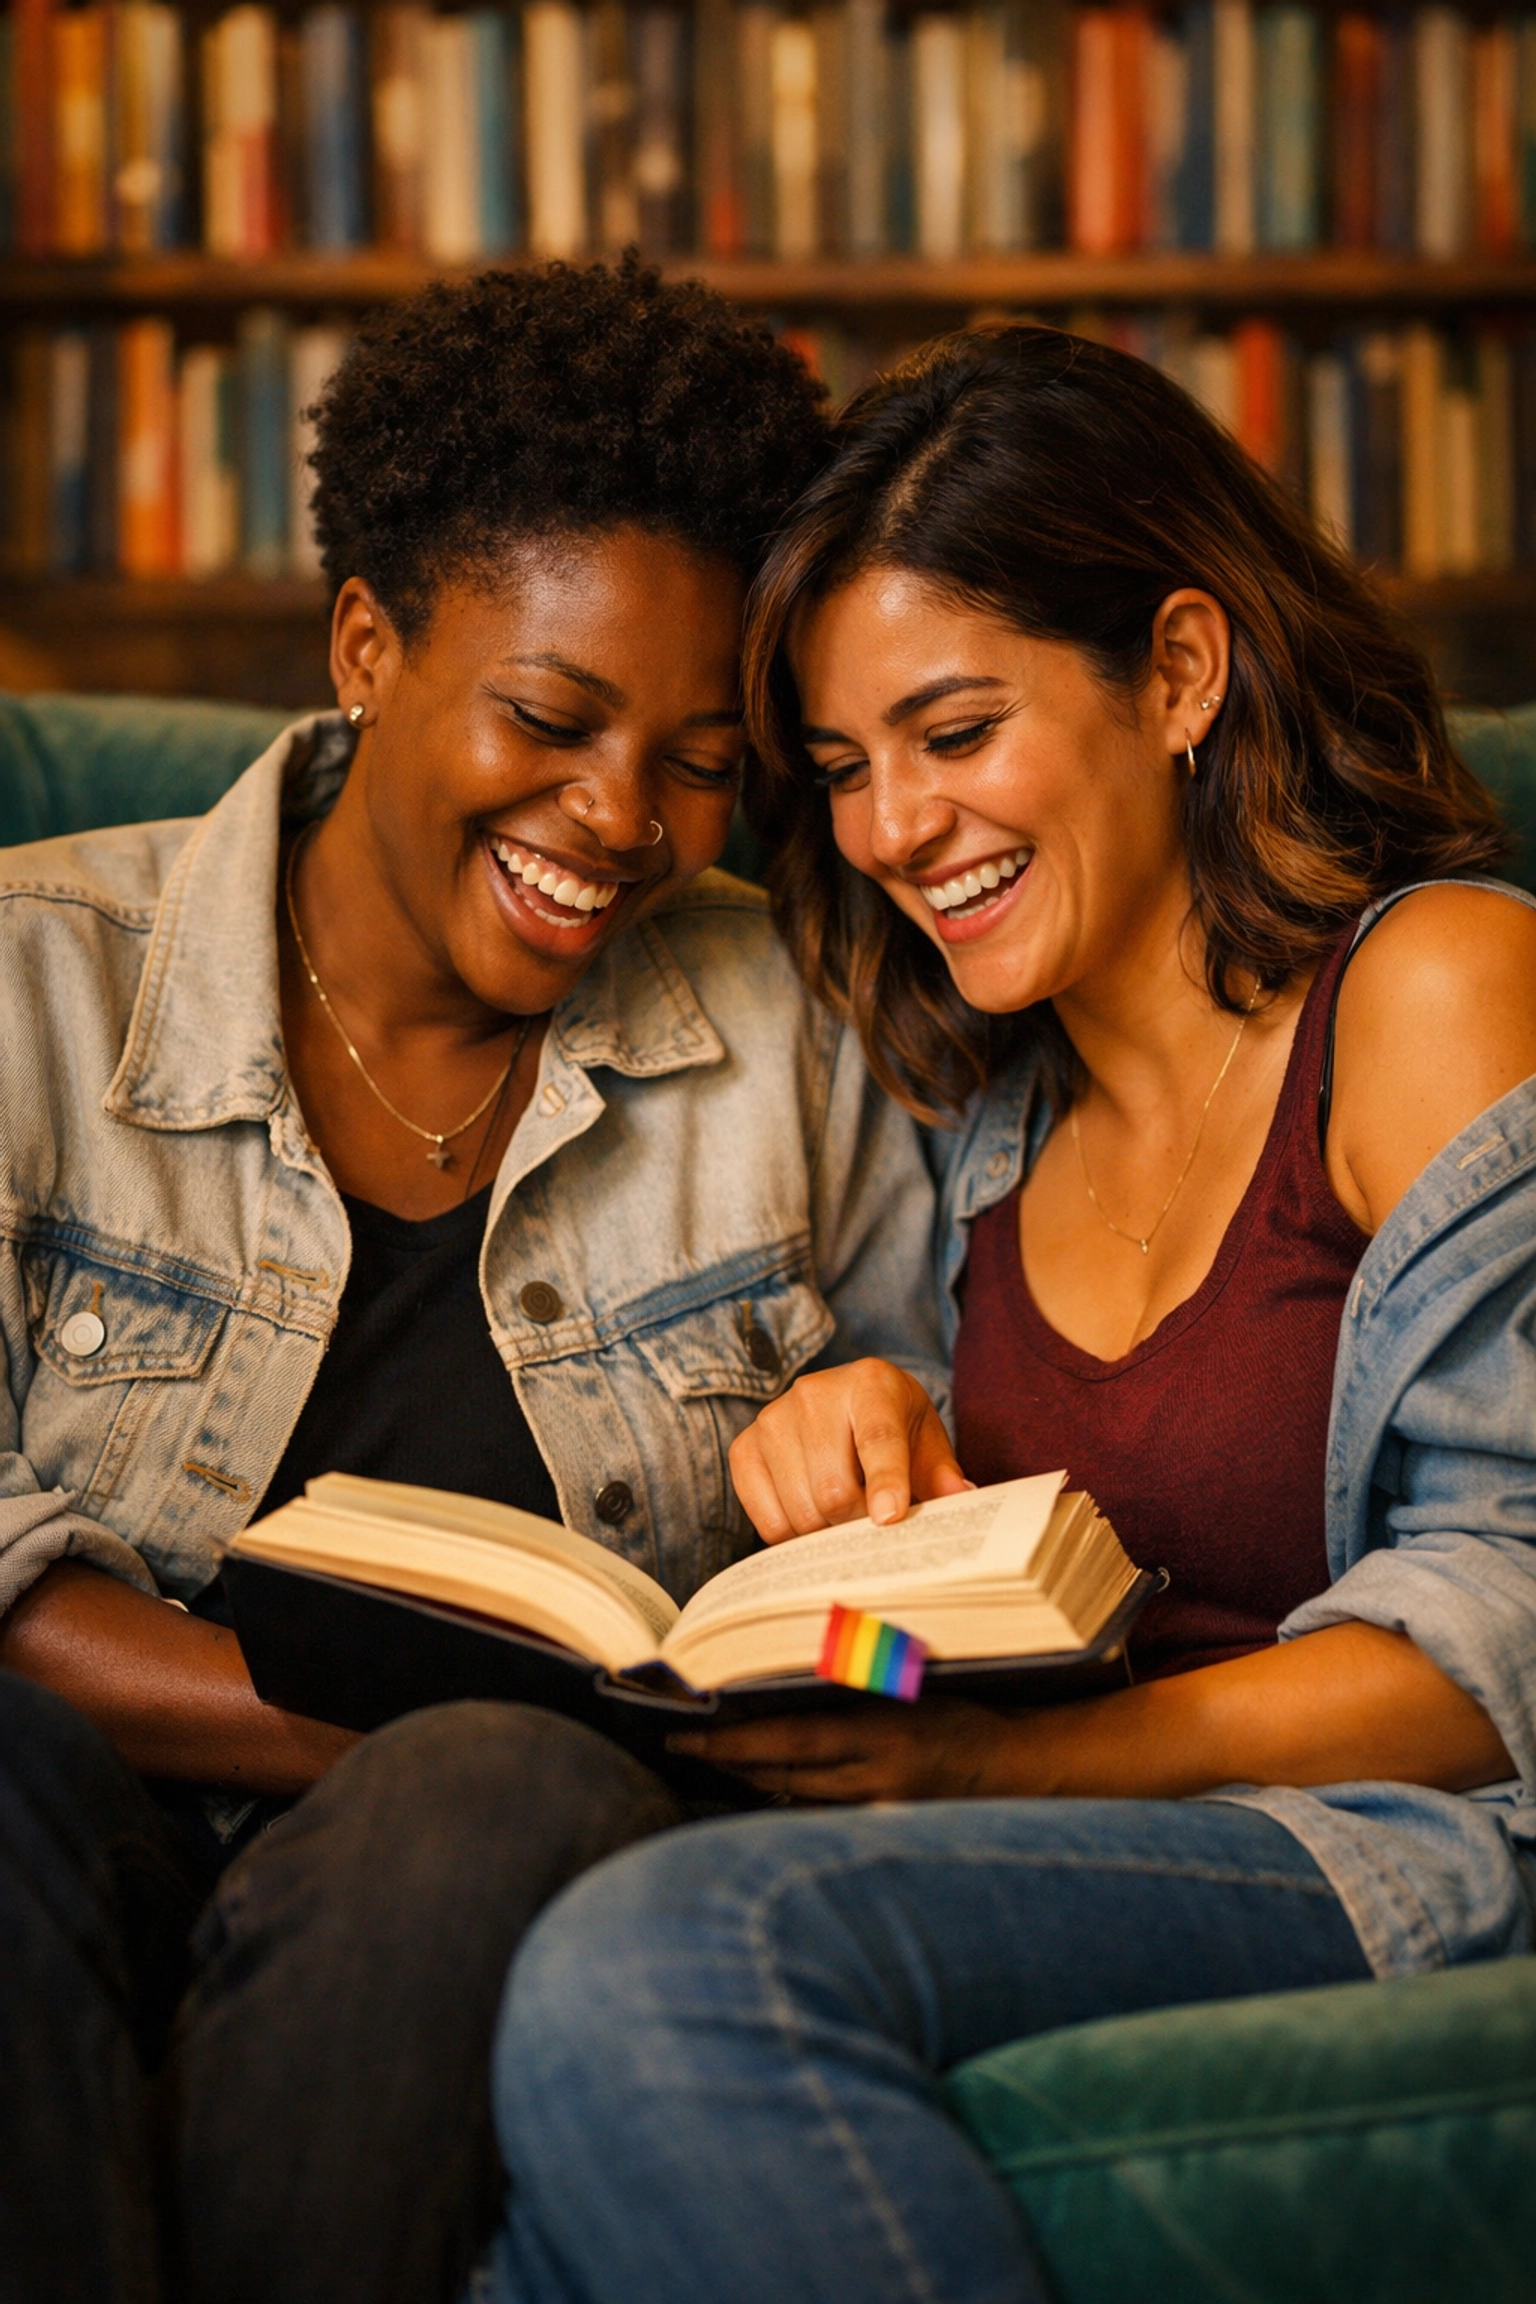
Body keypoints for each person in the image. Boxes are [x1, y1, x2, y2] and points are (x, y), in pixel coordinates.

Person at [482, 323, 1536, 2304]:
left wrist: (991, 1776)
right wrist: (858, 1474)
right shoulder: (981, 1122)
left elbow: (1514, 1642)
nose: (890, 831)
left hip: (1417, 1851)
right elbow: (970, 1629)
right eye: (841, 771)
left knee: (673, 1961)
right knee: (536, 2223)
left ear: (1182, 674)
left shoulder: (1434, 994)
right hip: (1109, 1847)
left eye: (953, 736)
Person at [0, 261, 948, 2304]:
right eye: (550, 716)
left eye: (703, 757)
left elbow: (915, 1597)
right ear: (367, 641)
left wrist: (883, 1470)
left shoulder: (791, 1038)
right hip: (73, 1843)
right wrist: (377, 1744)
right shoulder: (29, 986)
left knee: (490, 1793)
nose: (619, 822)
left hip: (491, 1879)